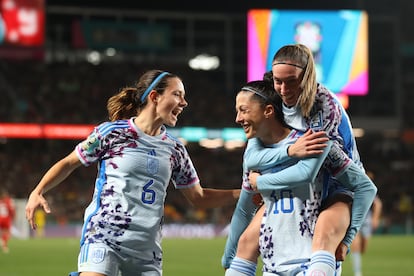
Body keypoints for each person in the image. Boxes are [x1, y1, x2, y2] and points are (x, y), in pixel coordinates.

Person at [25, 69, 240, 276]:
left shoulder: (175, 150)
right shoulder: (112, 133)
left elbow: (199, 197)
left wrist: (244, 193)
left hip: (146, 249)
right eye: (177, 95)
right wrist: (38, 190)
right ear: (155, 96)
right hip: (104, 235)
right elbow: (70, 162)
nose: (184, 103)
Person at [222, 44, 377, 275]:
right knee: (246, 242)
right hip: (295, 182)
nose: (284, 89)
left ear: (307, 76)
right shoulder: (274, 104)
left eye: (291, 81)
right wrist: (289, 152)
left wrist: (261, 182)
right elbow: (253, 156)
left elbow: (308, 171)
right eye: (278, 81)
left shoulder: (324, 107)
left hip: (336, 184)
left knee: (323, 233)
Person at [225, 79, 336, 275]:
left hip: (312, 260)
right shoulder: (254, 157)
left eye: (244, 110)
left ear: (268, 111)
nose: (238, 118)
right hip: (273, 263)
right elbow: (245, 207)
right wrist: (229, 255)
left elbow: (352, 182)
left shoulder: (309, 140)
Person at [350, 171, 382, 276]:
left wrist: (375, 218)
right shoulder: (353, 188)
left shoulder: (370, 190)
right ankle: (357, 273)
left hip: (366, 220)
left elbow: (378, 204)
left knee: (363, 248)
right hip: (355, 218)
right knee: (356, 245)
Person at [0, 188, 15, 253]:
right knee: (7, 233)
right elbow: (11, 210)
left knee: (2, 232)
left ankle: (2, 240)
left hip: (0, 218)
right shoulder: (8, 201)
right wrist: (13, 217)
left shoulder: (0, 201)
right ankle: (4, 245)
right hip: (6, 219)